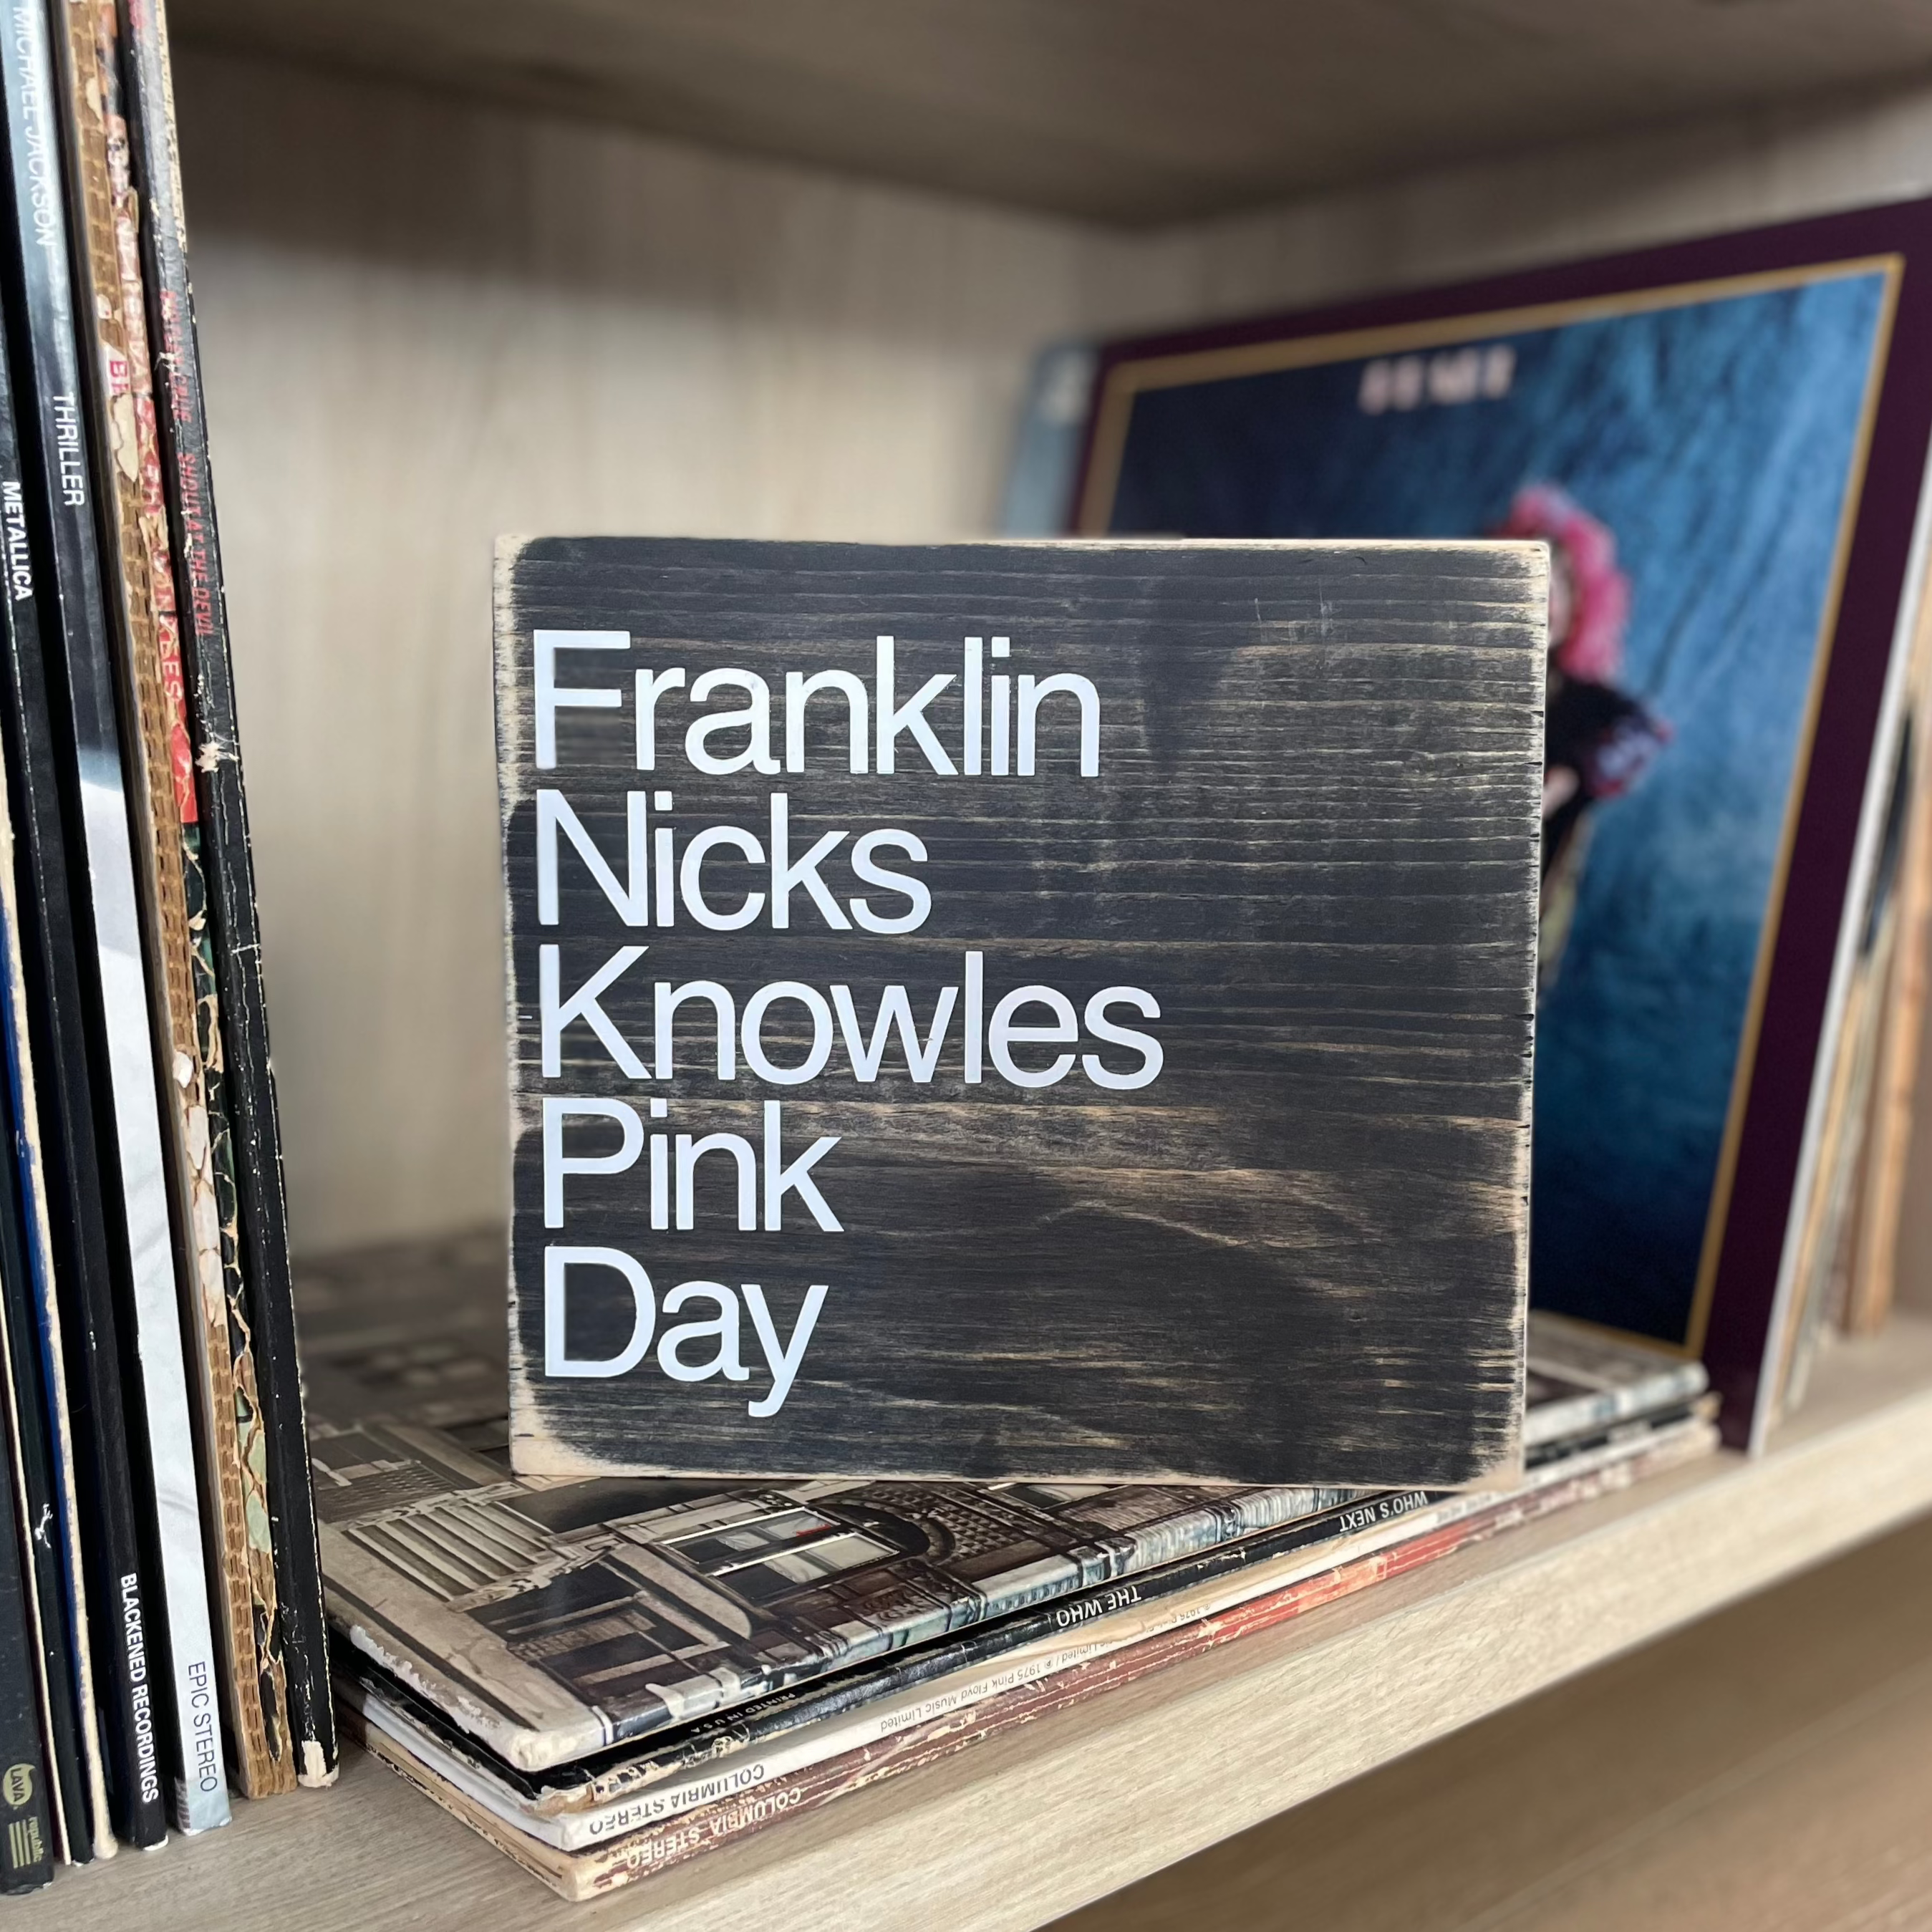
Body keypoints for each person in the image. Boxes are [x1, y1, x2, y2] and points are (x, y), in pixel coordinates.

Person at [1494, 484, 1670, 988]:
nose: (1541, 599)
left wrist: (1568, 778)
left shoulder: (1580, 697)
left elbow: (1639, 736)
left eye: (1556, 587)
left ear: (1577, 606)